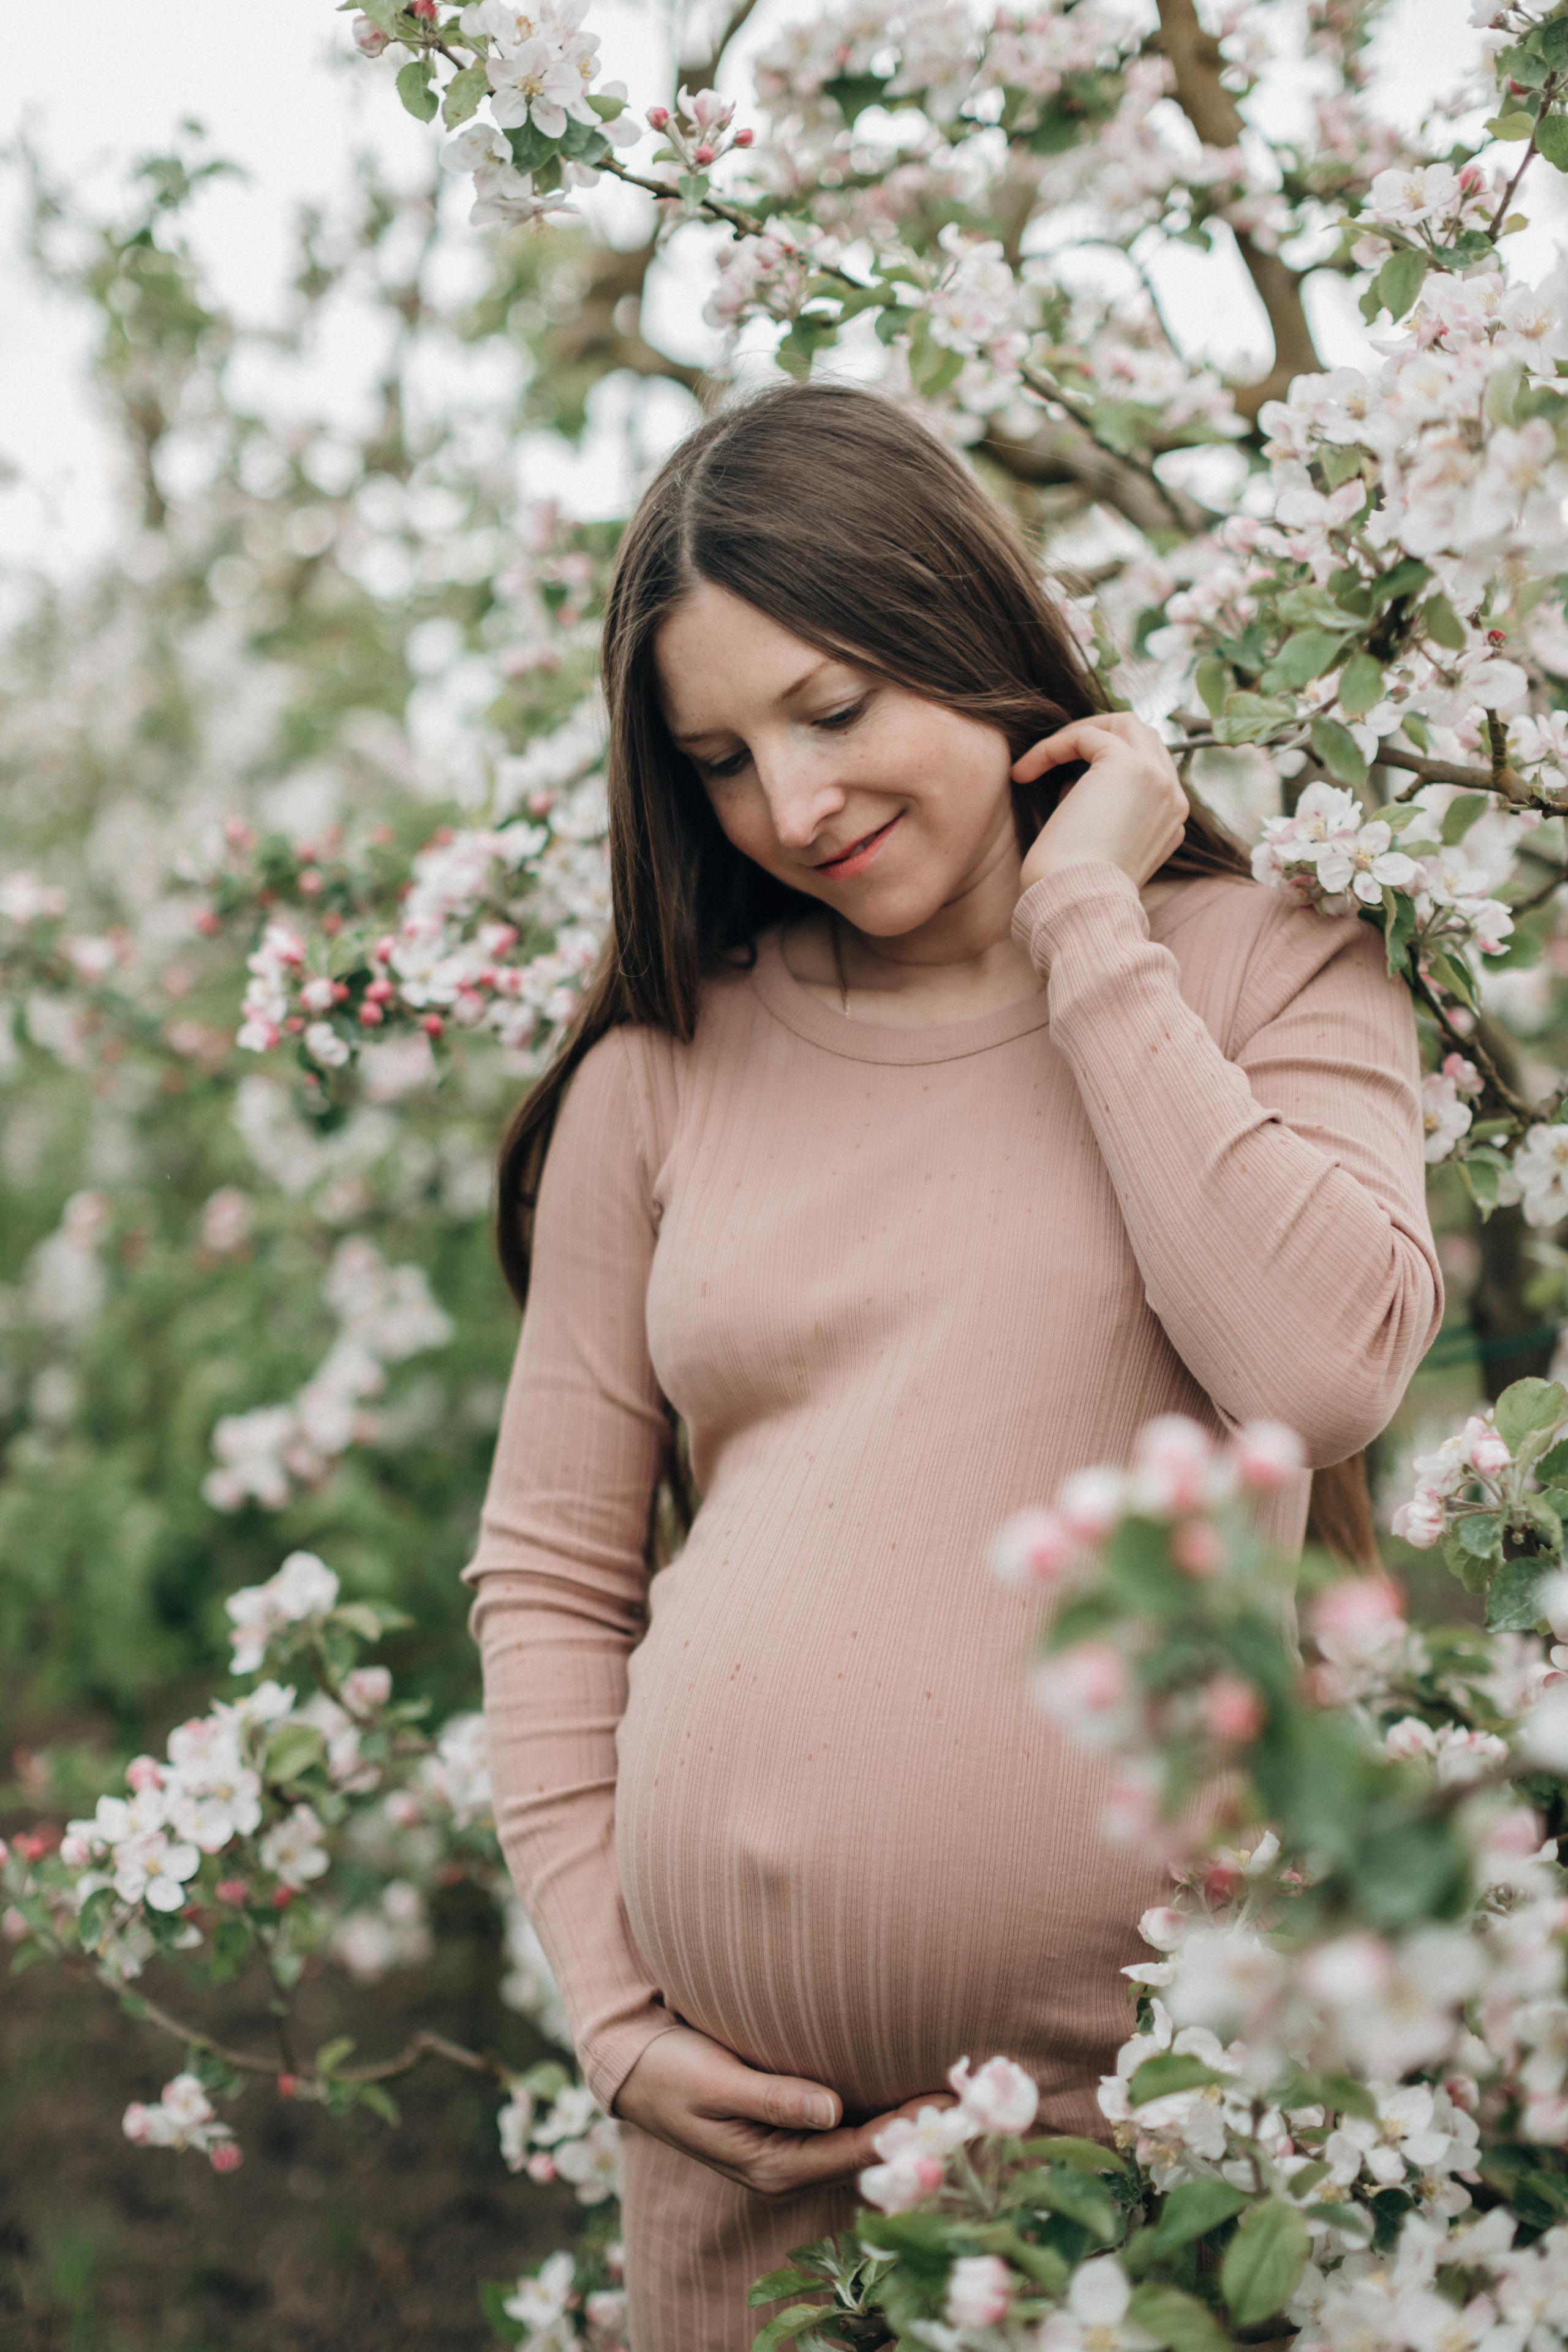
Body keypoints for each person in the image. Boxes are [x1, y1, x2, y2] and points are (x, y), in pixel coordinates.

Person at [463, 382, 1441, 2350]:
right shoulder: (659, 1074)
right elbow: (554, 1574)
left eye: (833, 713)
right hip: (755, 2175)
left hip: (1171, 2146)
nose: (792, 808)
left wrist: (1089, 921)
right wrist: (616, 2010)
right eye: (721, 759)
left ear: (970, 638)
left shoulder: (1261, 964)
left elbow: (1324, 1375)